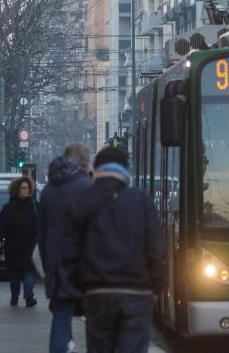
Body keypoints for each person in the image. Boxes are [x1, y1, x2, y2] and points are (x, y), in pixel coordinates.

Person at [74, 147, 165, 353]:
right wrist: (156, 287)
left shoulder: (83, 200)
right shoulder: (141, 200)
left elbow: (72, 250)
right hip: (137, 291)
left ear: (97, 169)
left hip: (97, 292)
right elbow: (156, 248)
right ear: (125, 169)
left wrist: (78, 291)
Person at [39, 144, 92, 353]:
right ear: (86, 163)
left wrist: (47, 266)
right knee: (96, 321)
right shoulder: (87, 187)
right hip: (84, 265)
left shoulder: (48, 191)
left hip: (56, 264)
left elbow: (42, 234)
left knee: (60, 317)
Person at [0, 177, 40, 307]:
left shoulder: (35, 206)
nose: (27, 190)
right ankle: (14, 297)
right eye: (23, 188)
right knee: (14, 275)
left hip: (31, 245)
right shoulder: (9, 208)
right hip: (13, 246)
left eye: (28, 188)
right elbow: (0, 225)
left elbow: (44, 223)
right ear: (17, 190)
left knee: (30, 272)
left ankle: (29, 296)